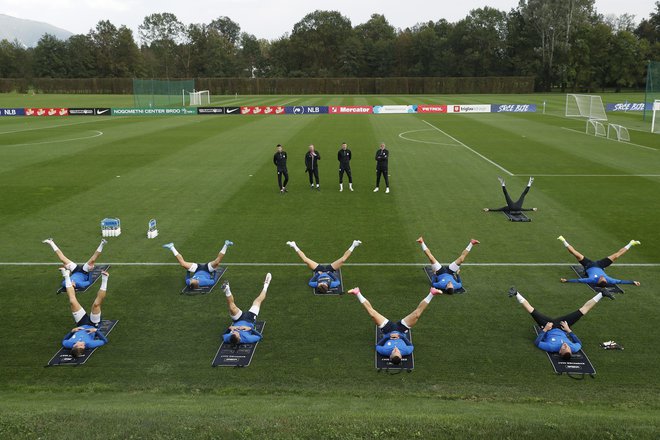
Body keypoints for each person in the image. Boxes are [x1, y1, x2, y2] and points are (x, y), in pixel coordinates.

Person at [508, 286, 613, 360]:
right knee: (582, 311)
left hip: (549, 326)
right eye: (567, 347)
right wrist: (569, 330)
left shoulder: (551, 347)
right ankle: (602, 293)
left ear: (559, 352)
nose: (565, 345)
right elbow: (579, 343)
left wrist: (545, 329)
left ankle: (516, 293)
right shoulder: (574, 348)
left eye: (563, 348)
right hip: (563, 326)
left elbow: (537, 343)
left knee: (531, 310)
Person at [347, 286, 442, 365]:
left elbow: (378, 346)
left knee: (372, 314)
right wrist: (401, 336)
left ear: (390, 355)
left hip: (387, 330)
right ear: (401, 355)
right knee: (416, 314)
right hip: (401, 330)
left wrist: (388, 336)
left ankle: (357, 292)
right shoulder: (406, 351)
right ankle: (432, 293)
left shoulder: (384, 351)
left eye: (393, 352)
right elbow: (410, 345)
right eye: (398, 352)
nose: (396, 350)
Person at [60, 267, 110, 357]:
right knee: (96, 305)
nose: (83, 344)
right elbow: (105, 341)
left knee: (72, 301)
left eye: (80, 345)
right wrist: (96, 330)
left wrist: (72, 332)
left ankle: (66, 276)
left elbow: (63, 341)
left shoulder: (68, 344)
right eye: (83, 346)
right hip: (93, 324)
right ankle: (105, 279)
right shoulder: (89, 344)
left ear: (74, 345)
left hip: (81, 323)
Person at [558, 236, 641, 287]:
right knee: (616, 255)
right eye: (603, 278)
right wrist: (633, 282)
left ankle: (563, 240)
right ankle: (631, 243)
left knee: (576, 254)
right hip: (600, 265)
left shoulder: (591, 280)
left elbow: (578, 281)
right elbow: (621, 282)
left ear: (598, 281)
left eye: (601, 279)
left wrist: (567, 280)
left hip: (588, 265)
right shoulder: (609, 280)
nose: (602, 277)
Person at [286, 240, 361, 294]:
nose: (319, 283)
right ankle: (354, 244)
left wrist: (318, 274)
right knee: (343, 260)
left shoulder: (316, 285)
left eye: (319, 284)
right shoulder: (331, 284)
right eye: (322, 284)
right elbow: (338, 281)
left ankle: (294, 245)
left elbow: (310, 282)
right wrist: (329, 273)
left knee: (305, 260)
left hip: (320, 270)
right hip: (329, 270)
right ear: (326, 285)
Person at [221, 273, 271, 345]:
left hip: (238, 319)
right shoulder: (247, 339)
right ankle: (266, 285)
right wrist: (250, 329)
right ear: (239, 338)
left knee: (232, 308)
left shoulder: (228, 338)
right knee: (258, 301)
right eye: (237, 333)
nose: (235, 331)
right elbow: (260, 336)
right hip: (250, 320)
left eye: (233, 333)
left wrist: (230, 328)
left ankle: (227, 289)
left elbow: (223, 335)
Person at [163, 240, 233, 288]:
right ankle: (226, 244)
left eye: (191, 280)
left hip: (197, 269)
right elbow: (214, 281)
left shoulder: (188, 282)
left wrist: (188, 271)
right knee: (217, 262)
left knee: (183, 264)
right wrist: (215, 271)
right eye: (192, 280)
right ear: (196, 282)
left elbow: (187, 277)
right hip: (207, 270)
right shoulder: (205, 282)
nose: (191, 279)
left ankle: (171, 247)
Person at [43, 238, 107, 289]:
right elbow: (90, 282)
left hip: (75, 270)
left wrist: (67, 270)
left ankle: (51, 242)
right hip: (84, 272)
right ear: (74, 286)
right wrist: (90, 271)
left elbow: (65, 279)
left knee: (63, 259)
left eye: (70, 284)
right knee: (92, 260)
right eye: (72, 285)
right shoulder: (80, 284)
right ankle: (102, 243)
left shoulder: (65, 283)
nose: (72, 283)